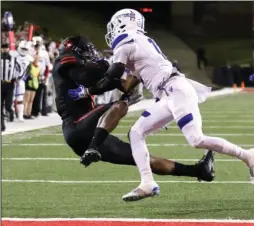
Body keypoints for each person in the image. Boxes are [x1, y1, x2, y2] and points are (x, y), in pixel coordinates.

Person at [103, 8, 254, 202]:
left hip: (175, 90)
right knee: (136, 132)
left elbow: (112, 74)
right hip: (168, 94)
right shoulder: (138, 43)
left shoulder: (127, 42)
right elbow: (126, 85)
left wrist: (92, 82)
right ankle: (147, 183)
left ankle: (247, 155)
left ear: (123, 23)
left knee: (196, 139)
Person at [52, 35, 215, 183]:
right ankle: (94, 147)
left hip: (89, 133)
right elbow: (87, 77)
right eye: (87, 51)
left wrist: (138, 74)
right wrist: (107, 68)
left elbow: (115, 83)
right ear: (75, 51)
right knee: (119, 104)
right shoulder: (63, 62)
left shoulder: (80, 69)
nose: (90, 55)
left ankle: (198, 170)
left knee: (143, 158)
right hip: (76, 127)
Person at [1, 42, 22, 131]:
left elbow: (21, 69)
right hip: (1, 84)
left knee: (8, 105)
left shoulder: (14, 59)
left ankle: (11, 112)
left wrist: (17, 78)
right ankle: (2, 125)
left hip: (10, 84)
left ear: (8, 49)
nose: (5, 49)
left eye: (6, 48)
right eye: (3, 48)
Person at [15, 40, 34, 121]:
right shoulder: (14, 56)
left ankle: (20, 115)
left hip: (21, 80)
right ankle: (11, 114)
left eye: (25, 49)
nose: (24, 50)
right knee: (10, 98)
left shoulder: (29, 59)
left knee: (20, 98)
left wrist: (23, 78)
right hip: (12, 79)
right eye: (23, 48)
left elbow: (29, 70)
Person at [23, 53, 41, 119]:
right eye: (36, 58)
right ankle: (24, 113)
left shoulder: (39, 66)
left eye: (38, 58)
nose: (36, 59)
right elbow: (26, 74)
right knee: (26, 99)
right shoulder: (30, 65)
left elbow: (38, 76)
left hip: (35, 84)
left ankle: (28, 113)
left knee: (31, 100)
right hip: (29, 83)